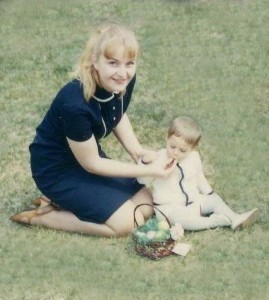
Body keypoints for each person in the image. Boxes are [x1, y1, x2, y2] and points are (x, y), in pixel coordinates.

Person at [10, 24, 176, 237]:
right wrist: (148, 171)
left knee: (146, 204)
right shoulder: (74, 103)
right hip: (57, 171)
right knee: (128, 222)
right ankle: (46, 218)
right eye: (113, 63)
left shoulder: (122, 80)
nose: (123, 73)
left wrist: (137, 152)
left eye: (130, 63)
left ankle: (61, 203)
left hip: (86, 159)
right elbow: (93, 164)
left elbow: (117, 112)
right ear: (95, 61)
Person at [138, 116, 258, 231]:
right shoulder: (159, 158)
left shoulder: (193, 157)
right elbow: (142, 180)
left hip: (193, 201)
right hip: (169, 208)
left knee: (214, 200)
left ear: (192, 148)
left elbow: (199, 177)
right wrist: (145, 163)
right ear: (167, 139)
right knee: (179, 219)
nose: (175, 152)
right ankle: (213, 222)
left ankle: (234, 218)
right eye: (172, 146)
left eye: (182, 150)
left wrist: (209, 193)